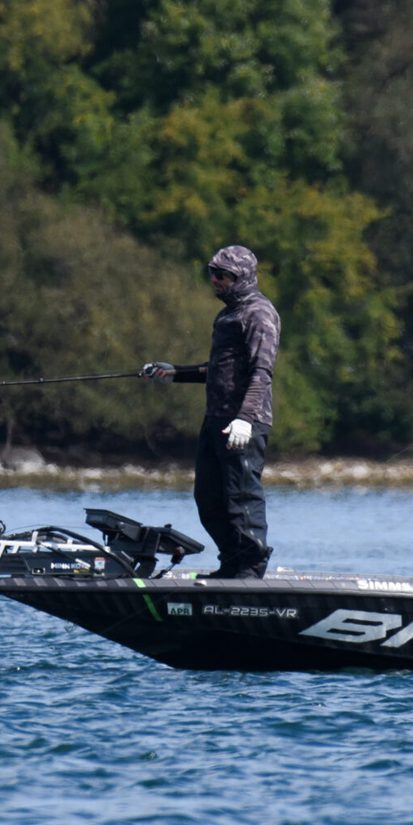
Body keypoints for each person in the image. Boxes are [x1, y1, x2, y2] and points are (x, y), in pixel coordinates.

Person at [140, 246, 281, 578]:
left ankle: (250, 567)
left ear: (242, 278)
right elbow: (217, 370)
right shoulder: (226, 315)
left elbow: (261, 372)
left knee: (241, 498)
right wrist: (174, 373)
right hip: (216, 420)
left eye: (222, 276)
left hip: (245, 423)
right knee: (208, 499)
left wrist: (245, 420)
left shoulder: (259, 314)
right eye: (212, 274)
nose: (215, 281)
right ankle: (231, 562)